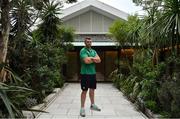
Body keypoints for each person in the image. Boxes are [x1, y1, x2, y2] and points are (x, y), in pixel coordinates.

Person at [79, 37, 101, 117]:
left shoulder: (93, 51)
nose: (89, 43)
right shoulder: (83, 51)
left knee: (92, 90)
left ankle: (92, 105)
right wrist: (93, 59)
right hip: (85, 74)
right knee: (84, 91)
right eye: (87, 42)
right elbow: (86, 61)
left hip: (92, 73)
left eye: (90, 42)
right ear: (85, 43)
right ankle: (82, 108)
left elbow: (99, 60)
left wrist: (90, 58)